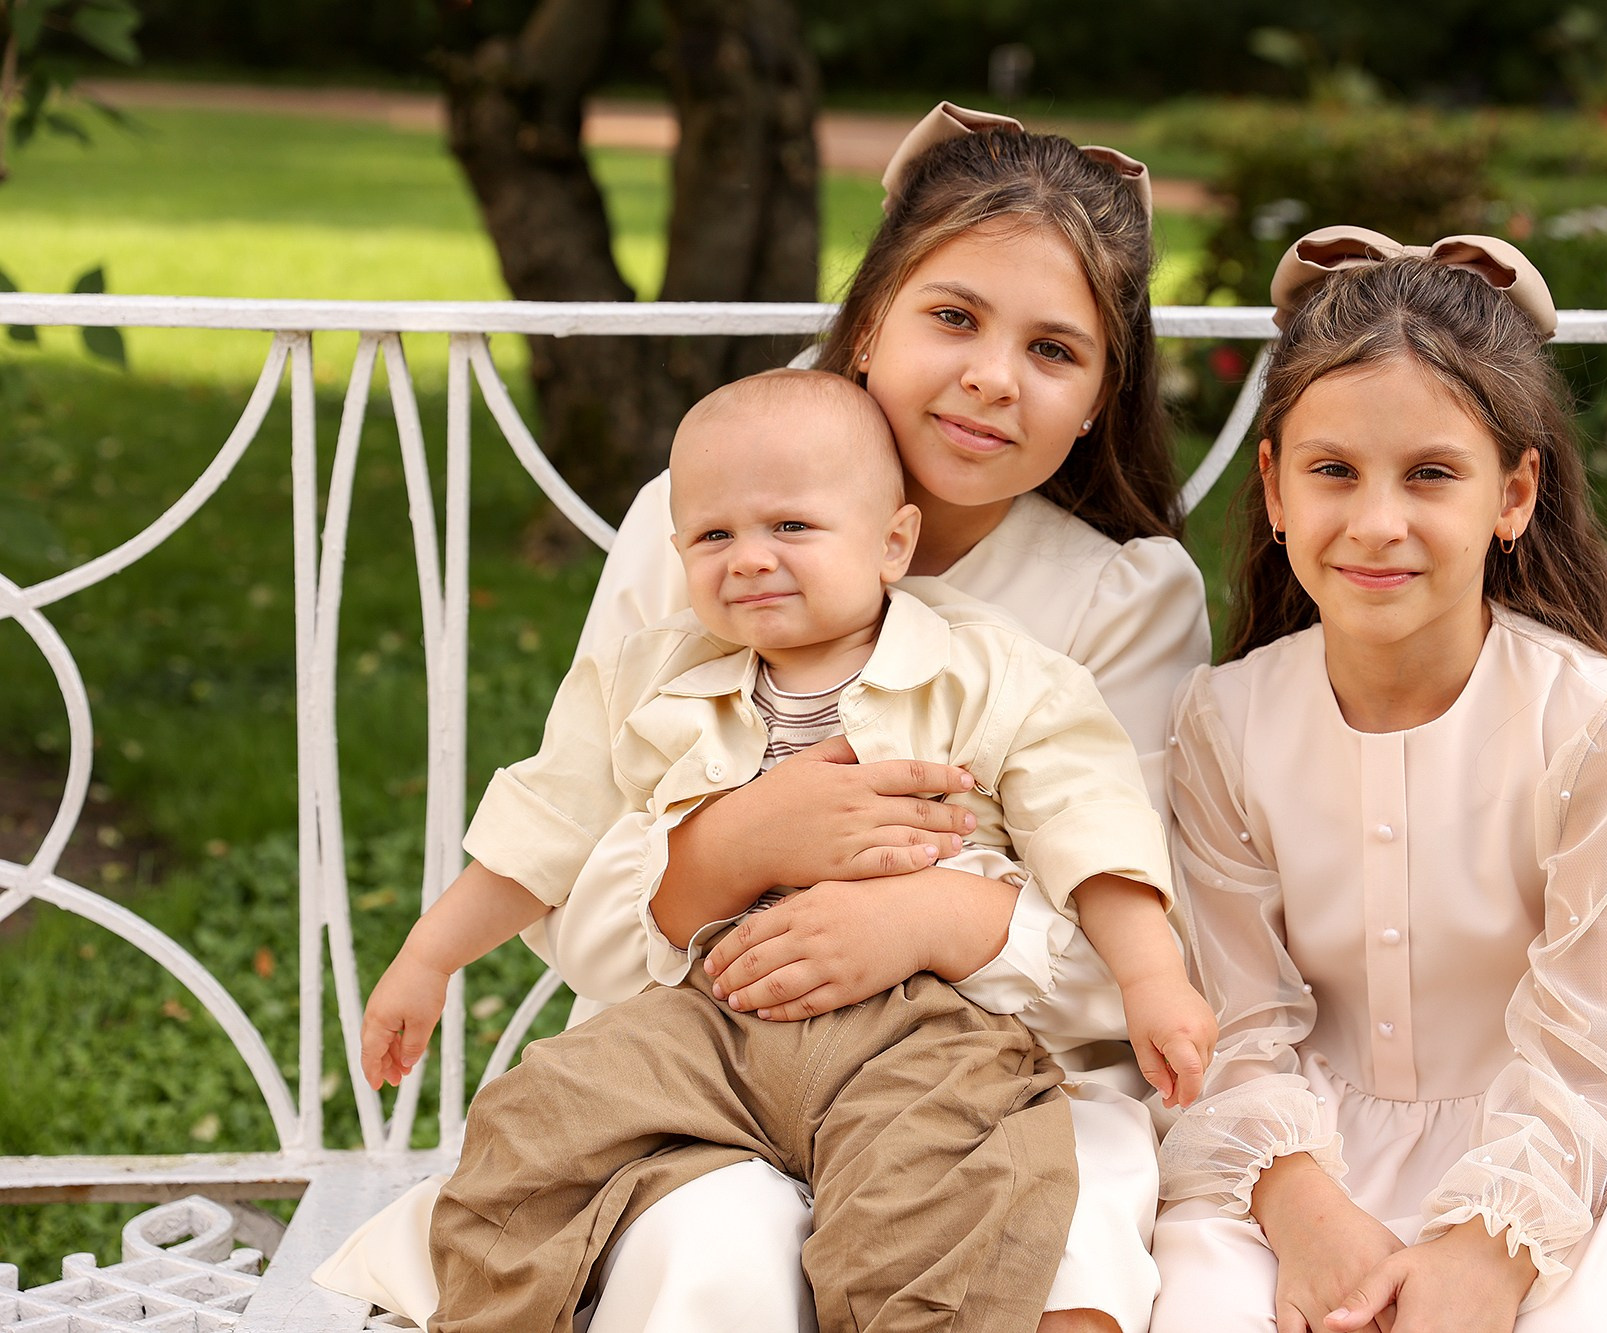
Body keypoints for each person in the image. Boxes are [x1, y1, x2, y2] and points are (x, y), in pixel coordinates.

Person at [315, 104, 1211, 1333]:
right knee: (715, 1248)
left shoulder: (1115, 595)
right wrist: (727, 849)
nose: (992, 377)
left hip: (989, 1063)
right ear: (869, 321)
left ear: (1103, 392)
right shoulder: (701, 526)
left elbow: (1129, 928)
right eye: (952, 317)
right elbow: (566, 846)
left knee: (1035, 1249)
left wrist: (929, 917)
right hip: (696, 1045)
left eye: (1055, 349)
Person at [1147, 225, 1607, 1333]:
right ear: (1271, 487)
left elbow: (1588, 1053)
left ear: (1512, 494)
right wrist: (1306, 1215)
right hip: (1291, 1162)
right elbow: (1238, 1021)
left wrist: (1483, 1259)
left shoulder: (1603, 727)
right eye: (1332, 471)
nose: (1375, 523)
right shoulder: (1223, 720)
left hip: (1552, 1165)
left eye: (1430, 475)